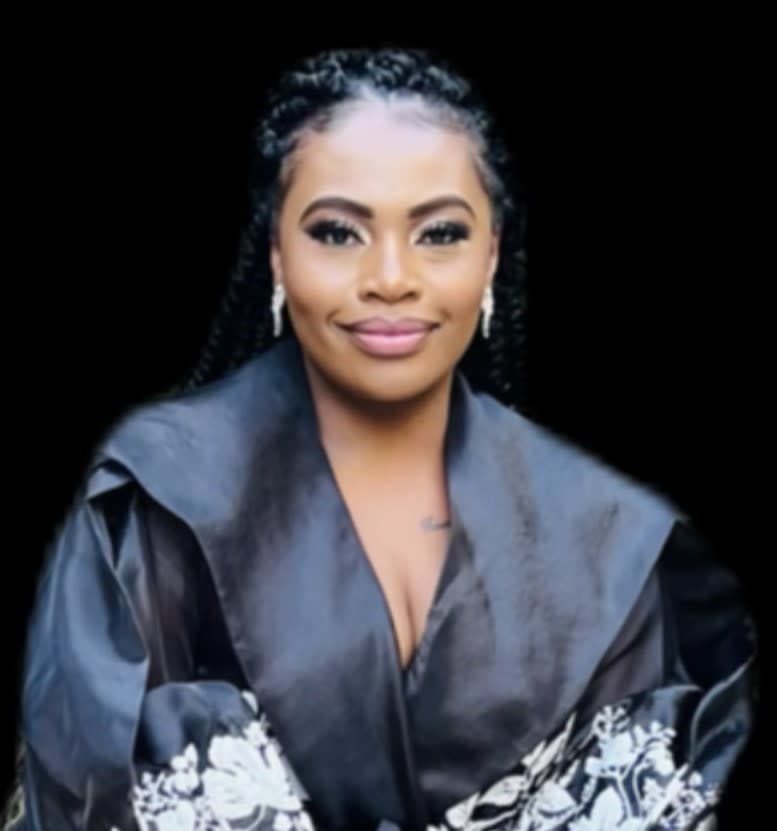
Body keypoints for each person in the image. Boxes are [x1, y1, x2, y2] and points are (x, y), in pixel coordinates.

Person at [3, 47, 756, 830]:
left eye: (439, 233)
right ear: (276, 253)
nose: (390, 277)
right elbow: (97, 777)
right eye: (337, 232)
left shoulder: (611, 540)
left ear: (492, 253)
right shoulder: (161, 492)